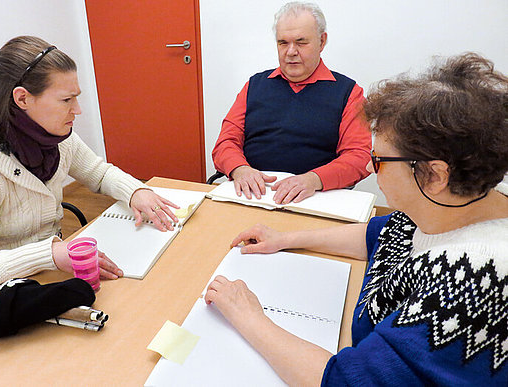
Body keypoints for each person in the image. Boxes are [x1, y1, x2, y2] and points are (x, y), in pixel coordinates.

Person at [205, 53, 508, 385]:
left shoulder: (473, 290)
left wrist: (249, 316)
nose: (368, 168)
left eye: (378, 161)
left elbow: (346, 380)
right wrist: (285, 238)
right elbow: (380, 236)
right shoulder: (459, 201)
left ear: (435, 174)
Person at [0, 36, 180, 296]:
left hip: (47, 267)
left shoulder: (55, 137)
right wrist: (49, 254)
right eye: (66, 100)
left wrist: (136, 192)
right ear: (23, 99)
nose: (78, 110)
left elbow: (99, 173)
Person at [211, 1, 371, 204]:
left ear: (322, 42)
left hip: (314, 197)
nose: (291, 51)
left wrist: (314, 180)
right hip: (253, 194)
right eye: (283, 43)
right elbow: (225, 142)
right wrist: (239, 169)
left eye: (301, 42)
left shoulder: (349, 93)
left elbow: (359, 156)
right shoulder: (254, 85)